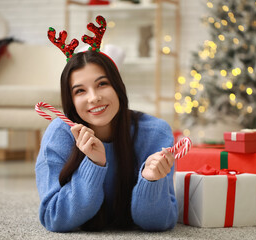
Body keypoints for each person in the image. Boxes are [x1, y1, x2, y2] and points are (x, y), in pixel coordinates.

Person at [35, 50, 178, 232]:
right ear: (71, 101)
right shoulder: (59, 134)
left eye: (102, 84)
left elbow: (159, 223)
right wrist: (94, 164)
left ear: (117, 87)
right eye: (80, 91)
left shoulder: (155, 133)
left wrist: (150, 181)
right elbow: (54, 217)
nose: (94, 97)